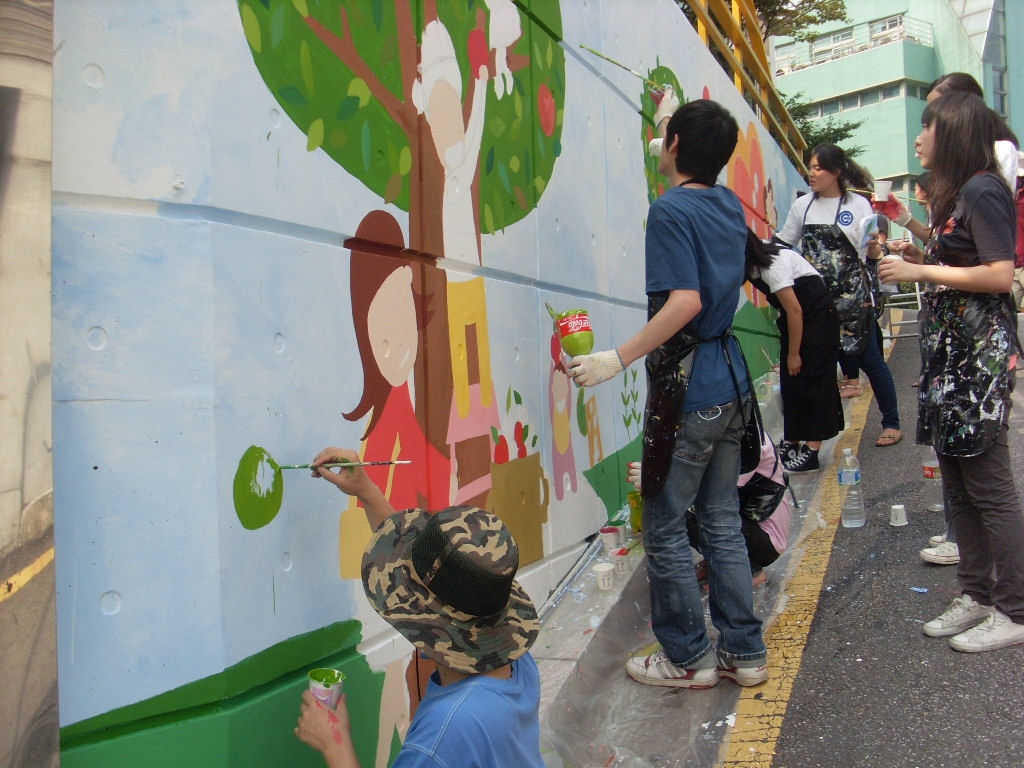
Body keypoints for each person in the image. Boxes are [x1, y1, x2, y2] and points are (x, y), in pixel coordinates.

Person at [567, 98, 767, 689]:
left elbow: (685, 303)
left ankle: (686, 657)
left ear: (676, 145)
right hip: (729, 381)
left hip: (689, 390)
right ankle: (743, 653)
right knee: (722, 520)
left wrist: (615, 359)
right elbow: (681, 157)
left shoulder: (670, 210)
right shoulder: (726, 203)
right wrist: (666, 125)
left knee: (663, 524)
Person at [880, 91, 1024, 652]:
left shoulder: (984, 188)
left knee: (990, 487)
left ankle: (1012, 608)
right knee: (959, 487)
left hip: (976, 361)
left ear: (955, 133)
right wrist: (915, 252)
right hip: (952, 362)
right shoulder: (960, 195)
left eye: (927, 128)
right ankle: (976, 593)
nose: (918, 139)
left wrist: (923, 268)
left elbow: (997, 274)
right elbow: (958, 262)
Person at [295, 448, 543, 766]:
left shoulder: (445, 733)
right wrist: (366, 492)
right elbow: (434, 573)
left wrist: (334, 743)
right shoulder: (517, 663)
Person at [775, 143, 902, 448]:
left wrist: (874, 246)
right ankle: (809, 436)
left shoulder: (858, 205)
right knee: (815, 369)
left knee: (871, 359)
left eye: (818, 167)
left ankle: (892, 423)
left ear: (837, 172)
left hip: (854, 302)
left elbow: (871, 251)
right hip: (816, 305)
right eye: (810, 167)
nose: (811, 173)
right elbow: (782, 243)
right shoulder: (802, 206)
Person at [627, 427, 792, 587]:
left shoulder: (748, 444)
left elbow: (707, 487)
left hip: (766, 541)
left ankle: (750, 571)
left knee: (681, 510)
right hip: (751, 526)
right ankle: (718, 558)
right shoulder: (732, 428)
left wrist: (658, 480)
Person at [876, 73, 1019, 245]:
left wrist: (918, 272)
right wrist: (904, 219)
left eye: (938, 113)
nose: (918, 140)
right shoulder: (949, 174)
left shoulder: (989, 170)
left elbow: (992, 262)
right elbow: (949, 244)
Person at [746, 231, 844, 472]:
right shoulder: (756, 255)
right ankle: (792, 442)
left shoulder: (772, 267)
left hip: (817, 320)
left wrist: (793, 353)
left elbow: (795, 311)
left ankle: (812, 450)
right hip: (798, 319)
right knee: (792, 382)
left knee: (814, 382)